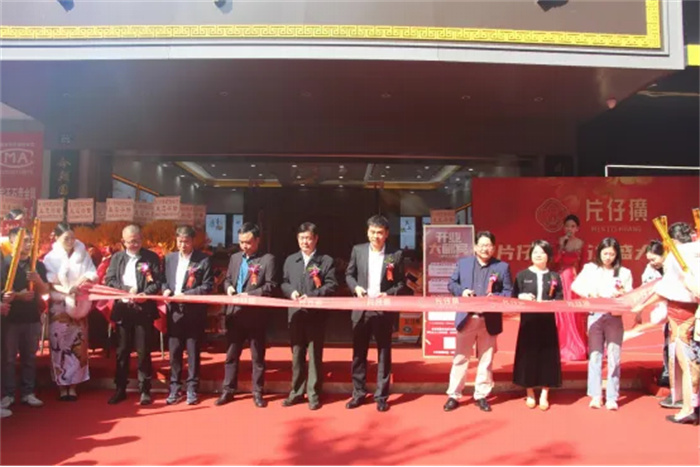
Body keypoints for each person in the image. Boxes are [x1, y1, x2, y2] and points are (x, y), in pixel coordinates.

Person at [635, 222, 699, 425]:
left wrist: (641, 306)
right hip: (693, 310)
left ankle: (689, 407)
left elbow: (665, 289)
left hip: (682, 311)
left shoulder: (676, 256)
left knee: (687, 361)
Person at [443, 231, 512, 413]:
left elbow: (508, 291)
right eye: (481, 245)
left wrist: (496, 297)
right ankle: (454, 395)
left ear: (493, 248)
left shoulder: (502, 267)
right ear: (475, 247)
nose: (484, 248)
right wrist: (462, 291)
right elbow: (451, 284)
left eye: (488, 245)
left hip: (488, 320)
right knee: (460, 358)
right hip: (467, 318)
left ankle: (481, 395)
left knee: (486, 360)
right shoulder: (463, 264)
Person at [345, 215, 406, 412]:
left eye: (380, 233)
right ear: (367, 232)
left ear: (386, 234)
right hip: (361, 309)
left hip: (383, 310)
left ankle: (381, 396)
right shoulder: (358, 250)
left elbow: (401, 283)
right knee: (359, 353)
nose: (376, 236)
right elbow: (349, 275)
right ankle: (358, 393)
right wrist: (356, 288)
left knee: (384, 353)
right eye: (372, 232)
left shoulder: (395, 255)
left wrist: (388, 293)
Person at [218, 222, 277, 408]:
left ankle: (257, 391)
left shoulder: (267, 259)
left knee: (257, 357)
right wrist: (228, 288)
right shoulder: (235, 258)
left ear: (257, 241)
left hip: (255, 315)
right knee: (231, 355)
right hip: (234, 313)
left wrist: (249, 295)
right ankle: (228, 389)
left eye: (248, 242)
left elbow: (271, 286)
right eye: (242, 242)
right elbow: (228, 279)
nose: (245, 246)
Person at [280, 222, 337, 410]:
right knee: (296, 355)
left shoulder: (325, 261)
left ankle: (313, 394)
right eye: (302, 238)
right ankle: (296, 392)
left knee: (314, 356)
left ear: (316, 239)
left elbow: (332, 285)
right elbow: (284, 282)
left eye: (309, 238)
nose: (305, 242)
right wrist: (291, 292)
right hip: (296, 315)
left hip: (316, 315)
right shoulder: (291, 260)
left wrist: (312, 296)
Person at [571, 237, 633, 411]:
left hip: (614, 316)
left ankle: (612, 396)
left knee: (614, 356)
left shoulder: (624, 272)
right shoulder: (591, 269)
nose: (608, 257)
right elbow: (576, 286)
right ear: (599, 253)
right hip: (595, 315)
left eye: (611, 254)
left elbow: (629, 293)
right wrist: (589, 294)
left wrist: (621, 294)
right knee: (595, 355)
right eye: (605, 253)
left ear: (617, 255)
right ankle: (596, 395)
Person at [104, 224, 162, 405]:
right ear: (123, 242)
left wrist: (145, 294)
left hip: (143, 310)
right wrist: (126, 290)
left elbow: (157, 282)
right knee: (122, 351)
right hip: (123, 309)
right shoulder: (117, 258)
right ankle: (120, 388)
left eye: (137, 241)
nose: (134, 244)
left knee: (143, 351)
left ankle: (145, 389)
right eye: (130, 242)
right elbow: (110, 280)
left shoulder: (150, 257)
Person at [43, 222, 98, 401]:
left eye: (73, 238)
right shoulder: (51, 257)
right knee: (59, 344)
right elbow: (50, 282)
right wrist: (67, 290)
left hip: (79, 303)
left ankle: (74, 385)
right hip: (59, 303)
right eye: (66, 238)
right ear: (57, 237)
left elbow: (92, 274)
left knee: (78, 345)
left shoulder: (82, 254)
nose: (70, 241)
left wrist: (82, 282)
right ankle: (61, 385)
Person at [162, 225, 214, 406]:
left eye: (186, 242)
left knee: (193, 351)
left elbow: (207, 286)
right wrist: (166, 290)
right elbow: (163, 280)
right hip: (174, 311)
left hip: (193, 312)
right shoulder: (169, 258)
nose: (183, 245)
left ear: (193, 241)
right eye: (180, 241)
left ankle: (192, 388)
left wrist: (187, 295)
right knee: (174, 352)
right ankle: (174, 387)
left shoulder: (203, 260)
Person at [0, 229, 49, 411]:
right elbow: (3, 293)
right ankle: (8, 394)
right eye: (24, 240)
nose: (28, 244)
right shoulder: (4, 264)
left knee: (29, 357)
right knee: (9, 359)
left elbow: (45, 291)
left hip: (31, 317)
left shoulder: (37, 265)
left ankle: (28, 392)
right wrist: (17, 296)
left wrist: (38, 280)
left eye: (30, 240)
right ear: (13, 243)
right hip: (10, 319)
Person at [512, 240, 563, 411]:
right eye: (535, 252)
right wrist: (522, 297)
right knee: (529, 355)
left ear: (548, 256)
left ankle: (545, 393)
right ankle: (530, 392)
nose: (538, 255)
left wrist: (552, 303)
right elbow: (513, 297)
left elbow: (560, 298)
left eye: (542, 252)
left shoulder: (554, 276)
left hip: (547, 321)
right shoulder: (522, 275)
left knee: (547, 355)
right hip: (528, 321)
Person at [640, 240, 676, 405]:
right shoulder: (650, 269)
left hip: (677, 308)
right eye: (649, 259)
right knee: (668, 342)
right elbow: (646, 287)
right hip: (664, 310)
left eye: (654, 259)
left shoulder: (673, 266)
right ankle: (667, 372)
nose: (651, 263)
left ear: (663, 255)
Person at [554, 214, 587, 362]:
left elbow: (583, 264)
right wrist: (562, 247)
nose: (570, 229)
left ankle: (576, 346)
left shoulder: (581, 244)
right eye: (567, 226)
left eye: (573, 226)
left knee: (573, 313)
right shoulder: (559, 242)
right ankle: (560, 345)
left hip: (573, 281)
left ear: (577, 229)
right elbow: (554, 261)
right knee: (561, 313)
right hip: (560, 279)